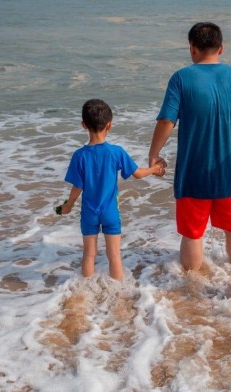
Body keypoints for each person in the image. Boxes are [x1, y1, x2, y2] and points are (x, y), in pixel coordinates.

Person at [148, 22, 231, 272]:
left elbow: (166, 121)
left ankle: (191, 286)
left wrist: (154, 154)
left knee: (193, 234)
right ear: (221, 48)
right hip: (229, 170)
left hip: (193, 173)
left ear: (192, 48)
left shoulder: (181, 78)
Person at [60, 99, 165, 280]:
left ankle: (84, 289)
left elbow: (77, 187)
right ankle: (119, 292)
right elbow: (138, 174)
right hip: (110, 212)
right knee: (114, 255)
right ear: (109, 125)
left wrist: (67, 205)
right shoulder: (116, 152)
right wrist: (154, 169)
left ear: (83, 125)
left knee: (89, 255)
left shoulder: (80, 156)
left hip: (89, 212)